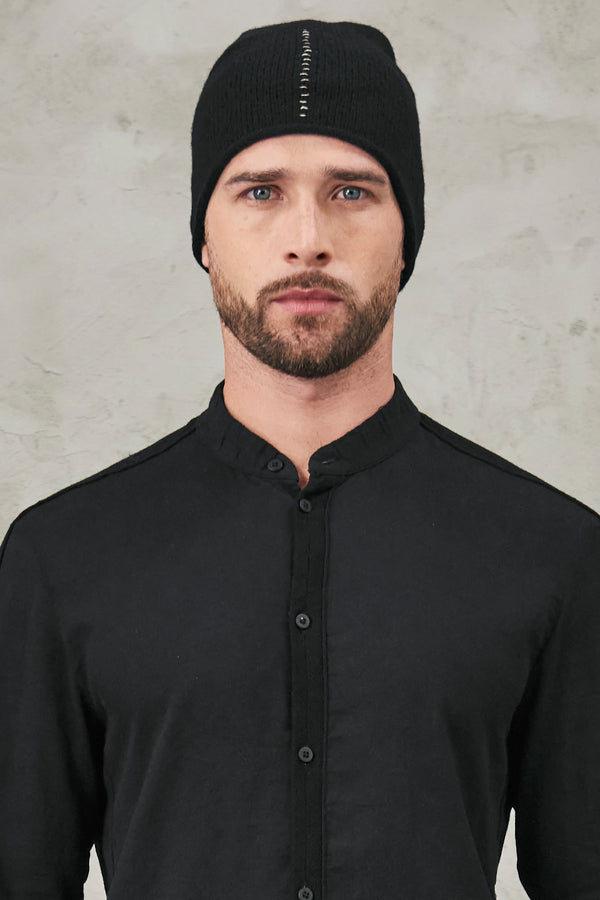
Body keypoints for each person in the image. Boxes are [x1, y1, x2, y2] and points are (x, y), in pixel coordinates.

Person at [0, 19, 598, 900]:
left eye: (353, 191)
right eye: (260, 191)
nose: (308, 237)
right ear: (204, 236)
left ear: (407, 236)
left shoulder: (551, 551)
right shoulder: (62, 556)